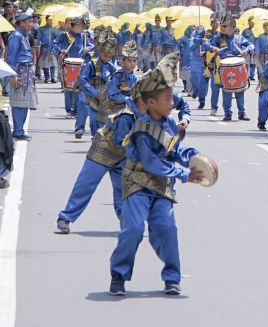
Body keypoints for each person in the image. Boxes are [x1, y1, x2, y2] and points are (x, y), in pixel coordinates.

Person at [108, 57, 201, 297]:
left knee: (167, 227)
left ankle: (172, 276)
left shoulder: (169, 122)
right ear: (150, 103)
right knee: (134, 229)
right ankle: (118, 274)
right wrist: (184, 173)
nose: (173, 103)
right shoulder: (142, 129)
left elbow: (175, 150)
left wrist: (194, 157)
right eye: (168, 99)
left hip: (160, 186)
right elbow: (152, 163)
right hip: (137, 182)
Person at [56, 77, 142, 234]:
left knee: (123, 192)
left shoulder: (153, 114)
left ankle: (129, 225)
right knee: (85, 184)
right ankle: (66, 217)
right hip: (104, 148)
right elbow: (123, 140)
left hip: (123, 155)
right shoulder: (127, 115)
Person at [203, 13, 254, 122]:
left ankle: (241, 113)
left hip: (238, 65)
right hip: (224, 66)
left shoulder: (239, 38)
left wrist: (246, 50)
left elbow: (251, 45)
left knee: (240, 90)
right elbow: (205, 45)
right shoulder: (218, 38)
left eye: (224, 26)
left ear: (232, 27)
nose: (222, 28)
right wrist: (213, 48)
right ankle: (228, 113)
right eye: (221, 26)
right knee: (226, 91)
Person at [78, 29, 117, 138]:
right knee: (93, 120)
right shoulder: (91, 63)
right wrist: (94, 92)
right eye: (105, 55)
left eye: (109, 56)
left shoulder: (111, 67)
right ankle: (81, 128)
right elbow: (83, 79)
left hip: (106, 98)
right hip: (93, 96)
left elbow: (114, 82)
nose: (107, 58)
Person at [7, 12, 37, 140]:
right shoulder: (16, 36)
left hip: (27, 70)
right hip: (19, 70)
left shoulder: (25, 35)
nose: (31, 24)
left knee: (25, 102)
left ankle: (20, 130)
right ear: (21, 23)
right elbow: (11, 57)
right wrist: (13, 75)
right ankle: (18, 131)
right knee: (19, 102)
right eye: (29, 22)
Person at [57, 14, 93, 117]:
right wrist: (61, 50)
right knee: (69, 89)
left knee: (79, 88)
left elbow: (92, 46)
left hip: (81, 65)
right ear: (73, 26)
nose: (82, 27)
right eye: (80, 25)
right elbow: (55, 44)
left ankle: (77, 109)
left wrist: (88, 49)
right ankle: (69, 110)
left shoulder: (84, 36)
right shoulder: (64, 35)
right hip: (68, 64)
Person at [189, 26, 209, 109]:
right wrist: (198, 41)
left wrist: (205, 43)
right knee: (193, 79)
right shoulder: (193, 37)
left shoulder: (207, 37)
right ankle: (195, 91)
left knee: (202, 82)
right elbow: (190, 48)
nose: (201, 32)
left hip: (203, 61)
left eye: (202, 31)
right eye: (199, 31)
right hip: (194, 61)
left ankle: (202, 100)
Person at [38, 15, 58, 84]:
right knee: (45, 64)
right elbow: (39, 39)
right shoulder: (41, 29)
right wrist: (40, 45)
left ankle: (52, 78)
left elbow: (57, 38)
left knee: (53, 63)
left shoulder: (55, 29)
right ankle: (47, 78)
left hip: (53, 48)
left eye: (51, 20)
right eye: (49, 19)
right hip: (44, 48)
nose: (50, 21)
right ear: (46, 20)